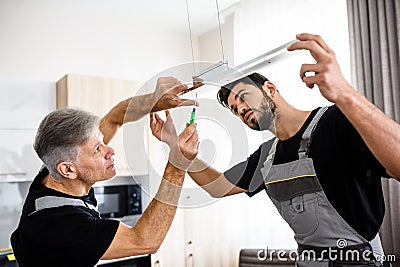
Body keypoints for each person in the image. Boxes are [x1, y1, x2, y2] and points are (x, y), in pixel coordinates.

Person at [150, 34, 400, 266]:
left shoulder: (336, 122)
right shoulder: (266, 157)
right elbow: (216, 186)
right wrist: (176, 147)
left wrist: (345, 94)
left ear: (270, 89)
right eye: (235, 110)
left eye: (243, 97)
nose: (241, 110)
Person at [11, 77, 199, 267]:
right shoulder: (61, 226)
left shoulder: (53, 171)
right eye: (97, 149)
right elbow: (144, 241)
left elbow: (115, 117)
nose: (110, 150)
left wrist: (154, 100)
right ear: (68, 169)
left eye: (102, 142)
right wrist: (177, 165)